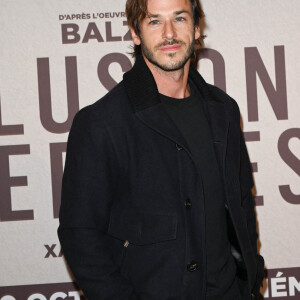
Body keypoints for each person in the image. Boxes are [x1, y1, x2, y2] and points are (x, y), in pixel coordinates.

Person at [58, 0, 265, 299]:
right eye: (154, 21)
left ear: (196, 28)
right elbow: (79, 234)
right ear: (135, 32)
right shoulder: (101, 123)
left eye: (179, 18)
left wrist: (251, 281)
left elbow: (241, 205)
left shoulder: (223, 110)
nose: (169, 33)